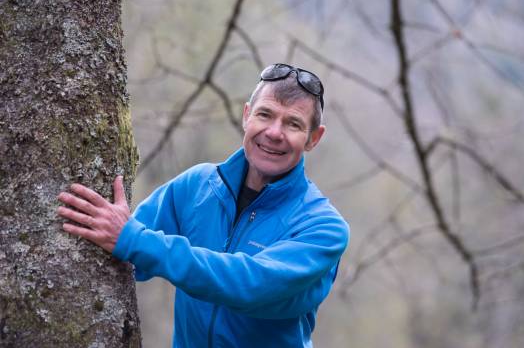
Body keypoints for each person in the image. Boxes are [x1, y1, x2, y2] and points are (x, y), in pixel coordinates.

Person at [57, 63, 350, 348]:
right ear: (247, 116)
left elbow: (249, 284)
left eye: (293, 123)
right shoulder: (197, 186)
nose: (274, 132)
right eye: (265, 115)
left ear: (313, 138)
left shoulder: (323, 228)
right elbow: (128, 252)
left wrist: (133, 240)